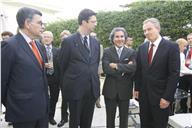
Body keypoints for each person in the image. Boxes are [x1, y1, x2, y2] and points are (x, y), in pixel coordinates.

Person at [1, 7, 49, 128]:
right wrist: (13, 104)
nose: (42, 26)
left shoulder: (37, 44)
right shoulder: (9, 46)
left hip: (42, 110)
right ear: (27, 23)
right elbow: (2, 80)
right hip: (22, 113)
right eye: (39, 23)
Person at [58, 9, 100, 128]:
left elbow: (95, 64)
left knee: (87, 122)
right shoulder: (68, 41)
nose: (96, 24)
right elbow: (62, 66)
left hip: (91, 89)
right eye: (93, 21)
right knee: (74, 122)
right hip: (75, 90)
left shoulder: (95, 42)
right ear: (84, 22)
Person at [135, 18, 180, 128]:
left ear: (158, 28)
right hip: (144, 97)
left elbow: (174, 74)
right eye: (144, 30)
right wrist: (136, 88)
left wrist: (167, 97)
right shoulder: (142, 48)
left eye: (149, 29)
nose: (146, 33)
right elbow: (139, 71)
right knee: (145, 124)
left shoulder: (171, 47)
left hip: (161, 98)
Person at [102, 27, 136, 128]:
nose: (119, 39)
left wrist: (116, 66)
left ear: (125, 38)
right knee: (110, 119)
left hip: (125, 90)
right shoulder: (107, 51)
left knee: (124, 119)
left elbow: (133, 68)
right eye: (117, 36)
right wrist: (125, 68)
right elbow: (106, 69)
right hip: (110, 90)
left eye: (122, 36)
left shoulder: (131, 52)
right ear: (113, 38)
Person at [41, 31, 59, 125]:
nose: (47, 38)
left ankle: (51, 117)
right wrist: (44, 65)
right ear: (42, 38)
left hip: (55, 78)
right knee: (43, 99)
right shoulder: (38, 49)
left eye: (49, 37)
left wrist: (54, 65)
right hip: (43, 77)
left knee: (54, 98)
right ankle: (43, 117)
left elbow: (61, 65)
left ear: (52, 39)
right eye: (45, 37)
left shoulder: (57, 50)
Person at [57, 29, 71, 127]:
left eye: (66, 38)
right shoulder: (58, 51)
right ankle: (64, 118)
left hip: (74, 79)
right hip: (63, 80)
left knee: (75, 100)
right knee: (65, 100)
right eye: (63, 38)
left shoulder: (75, 49)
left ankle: (75, 117)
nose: (64, 40)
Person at [177, 33, 192, 113]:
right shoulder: (183, 50)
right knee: (183, 92)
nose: (190, 40)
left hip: (190, 75)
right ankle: (183, 109)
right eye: (188, 38)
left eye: (191, 38)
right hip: (183, 75)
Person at [90, 32, 102, 108]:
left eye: (95, 36)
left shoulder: (99, 46)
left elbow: (100, 56)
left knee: (97, 84)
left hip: (96, 68)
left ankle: (98, 101)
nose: (94, 38)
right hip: (87, 68)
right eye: (92, 36)